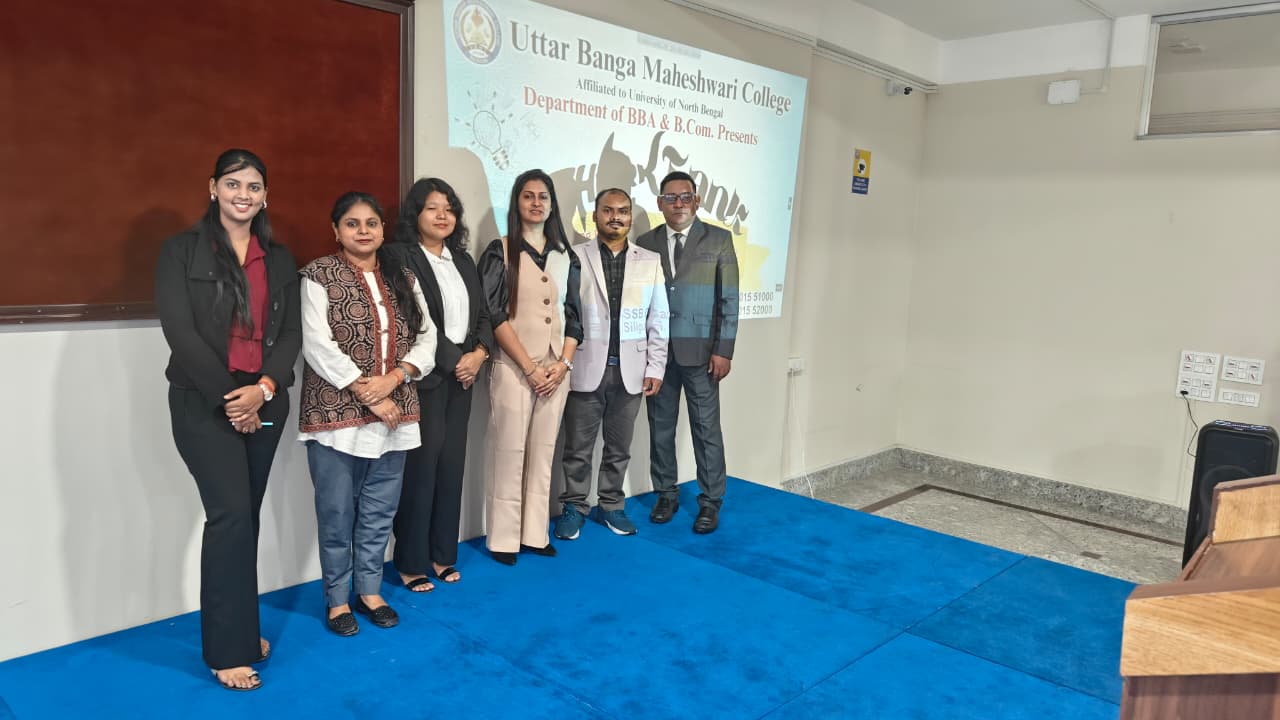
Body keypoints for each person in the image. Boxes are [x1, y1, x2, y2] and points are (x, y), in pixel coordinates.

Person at [155, 148, 301, 691]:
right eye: (234, 184)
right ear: (213, 187)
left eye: (254, 186)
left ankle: (240, 628)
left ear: (265, 196)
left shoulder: (279, 258)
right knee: (231, 517)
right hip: (202, 401)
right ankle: (226, 651)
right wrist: (231, 400)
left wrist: (262, 390)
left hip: (265, 401)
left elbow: (291, 335)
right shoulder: (180, 251)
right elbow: (180, 331)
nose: (244, 194)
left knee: (246, 519)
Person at [298, 192, 437, 636]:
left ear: (382, 229)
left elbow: (428, 338)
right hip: (334, 415)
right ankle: (338, 600)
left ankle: (370, 591)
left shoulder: (403, 275)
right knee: (336, 513)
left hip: (396, 412)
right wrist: (368, 392)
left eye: (371, 223)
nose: (363, 231)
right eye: (352, 223)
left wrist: (394, 379)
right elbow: (317, 344)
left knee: (379, 511)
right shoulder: (318, 275)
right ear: (336, 230)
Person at [388, 178, 493, 591]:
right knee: (421, 472)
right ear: (415, 213)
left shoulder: (462, 259)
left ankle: (442, 554)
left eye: (449, 208)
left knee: (451, 468)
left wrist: (479, 354)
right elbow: (412, 318)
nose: (442, 215)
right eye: (432, 208)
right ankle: (411, 561)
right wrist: (456, 361)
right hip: (425, 379)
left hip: (463, 379)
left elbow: (483, 314)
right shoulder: (399, 256)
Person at [478, 169, 583, 565]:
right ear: (517, 202)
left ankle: (535, 533)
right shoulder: (500, 251)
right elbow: (494, 314)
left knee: (543, 451)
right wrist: (529, 367)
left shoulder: (566, 255)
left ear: (552, 205)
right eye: (528, 196)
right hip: (513, 367)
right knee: (509, 451)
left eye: (543, 197)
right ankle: (504, 539)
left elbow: (575, 316)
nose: (536, 203)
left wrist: (564, 364)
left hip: (556, 369)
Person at [555, 188, 668, 540]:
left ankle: (611, 505)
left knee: (619, 448)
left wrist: (656, 366)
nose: (615, 216)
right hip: (586, 365)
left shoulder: (649, 260)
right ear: (595, 215)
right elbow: (564, 312)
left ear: (630, 217)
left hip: (631, 370)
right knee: (577, 448)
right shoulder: (575, 256)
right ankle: (574, 506)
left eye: (622, 210)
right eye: (608, 210)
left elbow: (658, 316)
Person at [635, 171, 739, 534]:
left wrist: (724, 349)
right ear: (660, 203)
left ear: (696, 200)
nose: (678, 203)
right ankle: (666, 494)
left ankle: (710, 501)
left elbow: (729, 299)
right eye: (670, 198)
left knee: (706, 430)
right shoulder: (645, 242)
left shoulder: (719, 240)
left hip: (703, 354)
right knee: (660, 429)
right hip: (658, 354)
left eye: (685, 197)